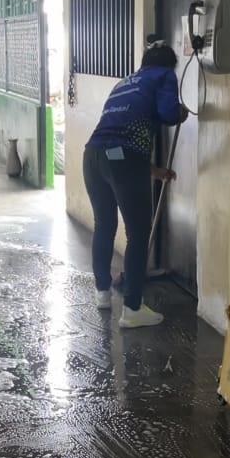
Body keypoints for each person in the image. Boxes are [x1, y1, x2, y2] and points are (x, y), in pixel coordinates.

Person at [83, 40, 187, 329]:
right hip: (122, 159)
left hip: (93, 156)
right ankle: (132, 309)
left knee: (104, 225)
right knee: (138, 234)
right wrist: (180, 112)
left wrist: (153, 171)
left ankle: (102, 293)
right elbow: (168, 114)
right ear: (169, 64)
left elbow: (115, 139)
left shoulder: (125, 82)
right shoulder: (164, 75)